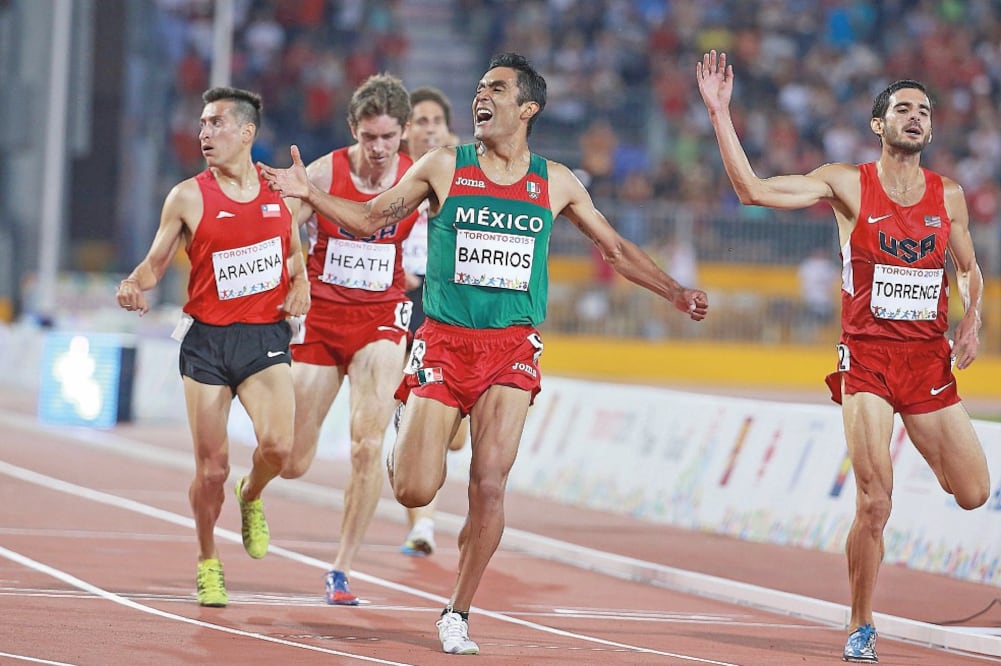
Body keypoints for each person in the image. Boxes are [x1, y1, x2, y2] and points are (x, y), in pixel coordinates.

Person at [261, 52, 709, 655]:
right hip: (445, 343)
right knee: (415, 490)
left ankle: (457, 611)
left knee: (490, 485)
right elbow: (370, 219)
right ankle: (409, 422)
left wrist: (675, 293)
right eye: (478, 87)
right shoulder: (445, 165)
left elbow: (617, 250)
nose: (481, 96)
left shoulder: (556, 182)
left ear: (527, 108)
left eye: (495, 89)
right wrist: (310, 194)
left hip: (511, 348)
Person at [696, 50, 989, 663]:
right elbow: (753, 191)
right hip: (869, 361)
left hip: (928, 363)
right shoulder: (846, 182)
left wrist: (972, 319)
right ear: (878, 125)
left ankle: (926, 448)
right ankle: (861, 620)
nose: (916, 117)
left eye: (924, 111)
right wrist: (721, 114)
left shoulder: (950, 195)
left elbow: (969, 268)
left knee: (973, 491)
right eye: (903, 109)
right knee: (875, 499)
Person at [116, 86, 310, 608]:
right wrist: (134, 283)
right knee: (211, 469)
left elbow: (294, 255)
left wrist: (301, 283)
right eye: (202, 124)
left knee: (279, 449)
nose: (205, 133)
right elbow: (154, 263)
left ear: (247, 132)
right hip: (206, 343)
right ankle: (207, 560)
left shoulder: (280, 191)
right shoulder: (187, 195)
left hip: (264, 336)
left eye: (216, 123)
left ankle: (252, 496)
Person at [276, 73, 420, 606]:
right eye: (369, 137)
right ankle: (255, 488)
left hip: (382, 318)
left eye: (388, 137)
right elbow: (284, 226)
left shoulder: (415, 177)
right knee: (293, 459)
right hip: (321, 318)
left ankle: (340, 568)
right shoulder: (322, 172)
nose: (379, 149)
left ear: (403, 133)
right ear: (354, 132)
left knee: (366, 444)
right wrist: (295, 276)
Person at [398, 85, 468, 557]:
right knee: (418, 413)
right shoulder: (395, 176)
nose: (427, 129)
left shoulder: (464, 174)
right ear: (405, 132)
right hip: (404, 301)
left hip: (451, 300)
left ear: (448, 129)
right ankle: (422, 522)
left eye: (434, 122)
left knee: (458, 440)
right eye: (418, 122)